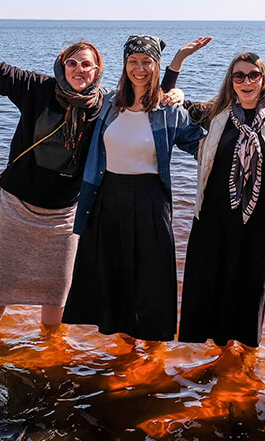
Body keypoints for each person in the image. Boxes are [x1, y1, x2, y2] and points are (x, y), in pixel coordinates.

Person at [0, 0, 105, 334]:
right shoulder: (37, 88)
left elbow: (149, 101)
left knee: (57, 288)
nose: (79, 69)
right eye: (73, 63)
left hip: (64, 216)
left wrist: (174, 82)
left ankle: (49, 353)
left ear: (97, 70)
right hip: (16, 206)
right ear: (63, 65)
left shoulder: (105, 107)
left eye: (87, 64)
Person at [62, 34, 207, 344]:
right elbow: (71, 97)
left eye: (146, 62)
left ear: (156, 67)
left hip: (150, 200)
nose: (139, 68)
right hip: (108, 198)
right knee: (116, 277)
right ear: (124, 65)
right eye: (133, 61)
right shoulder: (109, 104)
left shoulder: (168, 109)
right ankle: (127, 350)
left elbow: (203, 147)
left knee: (152, 280)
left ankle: (154, 356)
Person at [177, 52, 265, 352]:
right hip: (214, 217)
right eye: (239, 76)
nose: (246, 81)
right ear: (231, 81)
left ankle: (247, 359)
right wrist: (176, 84)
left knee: (251, 288)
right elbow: (174, 104)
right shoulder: (217, 114)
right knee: (214, 281)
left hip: (257, 220)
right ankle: (221, 352)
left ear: (263, 81)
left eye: (254, 75)